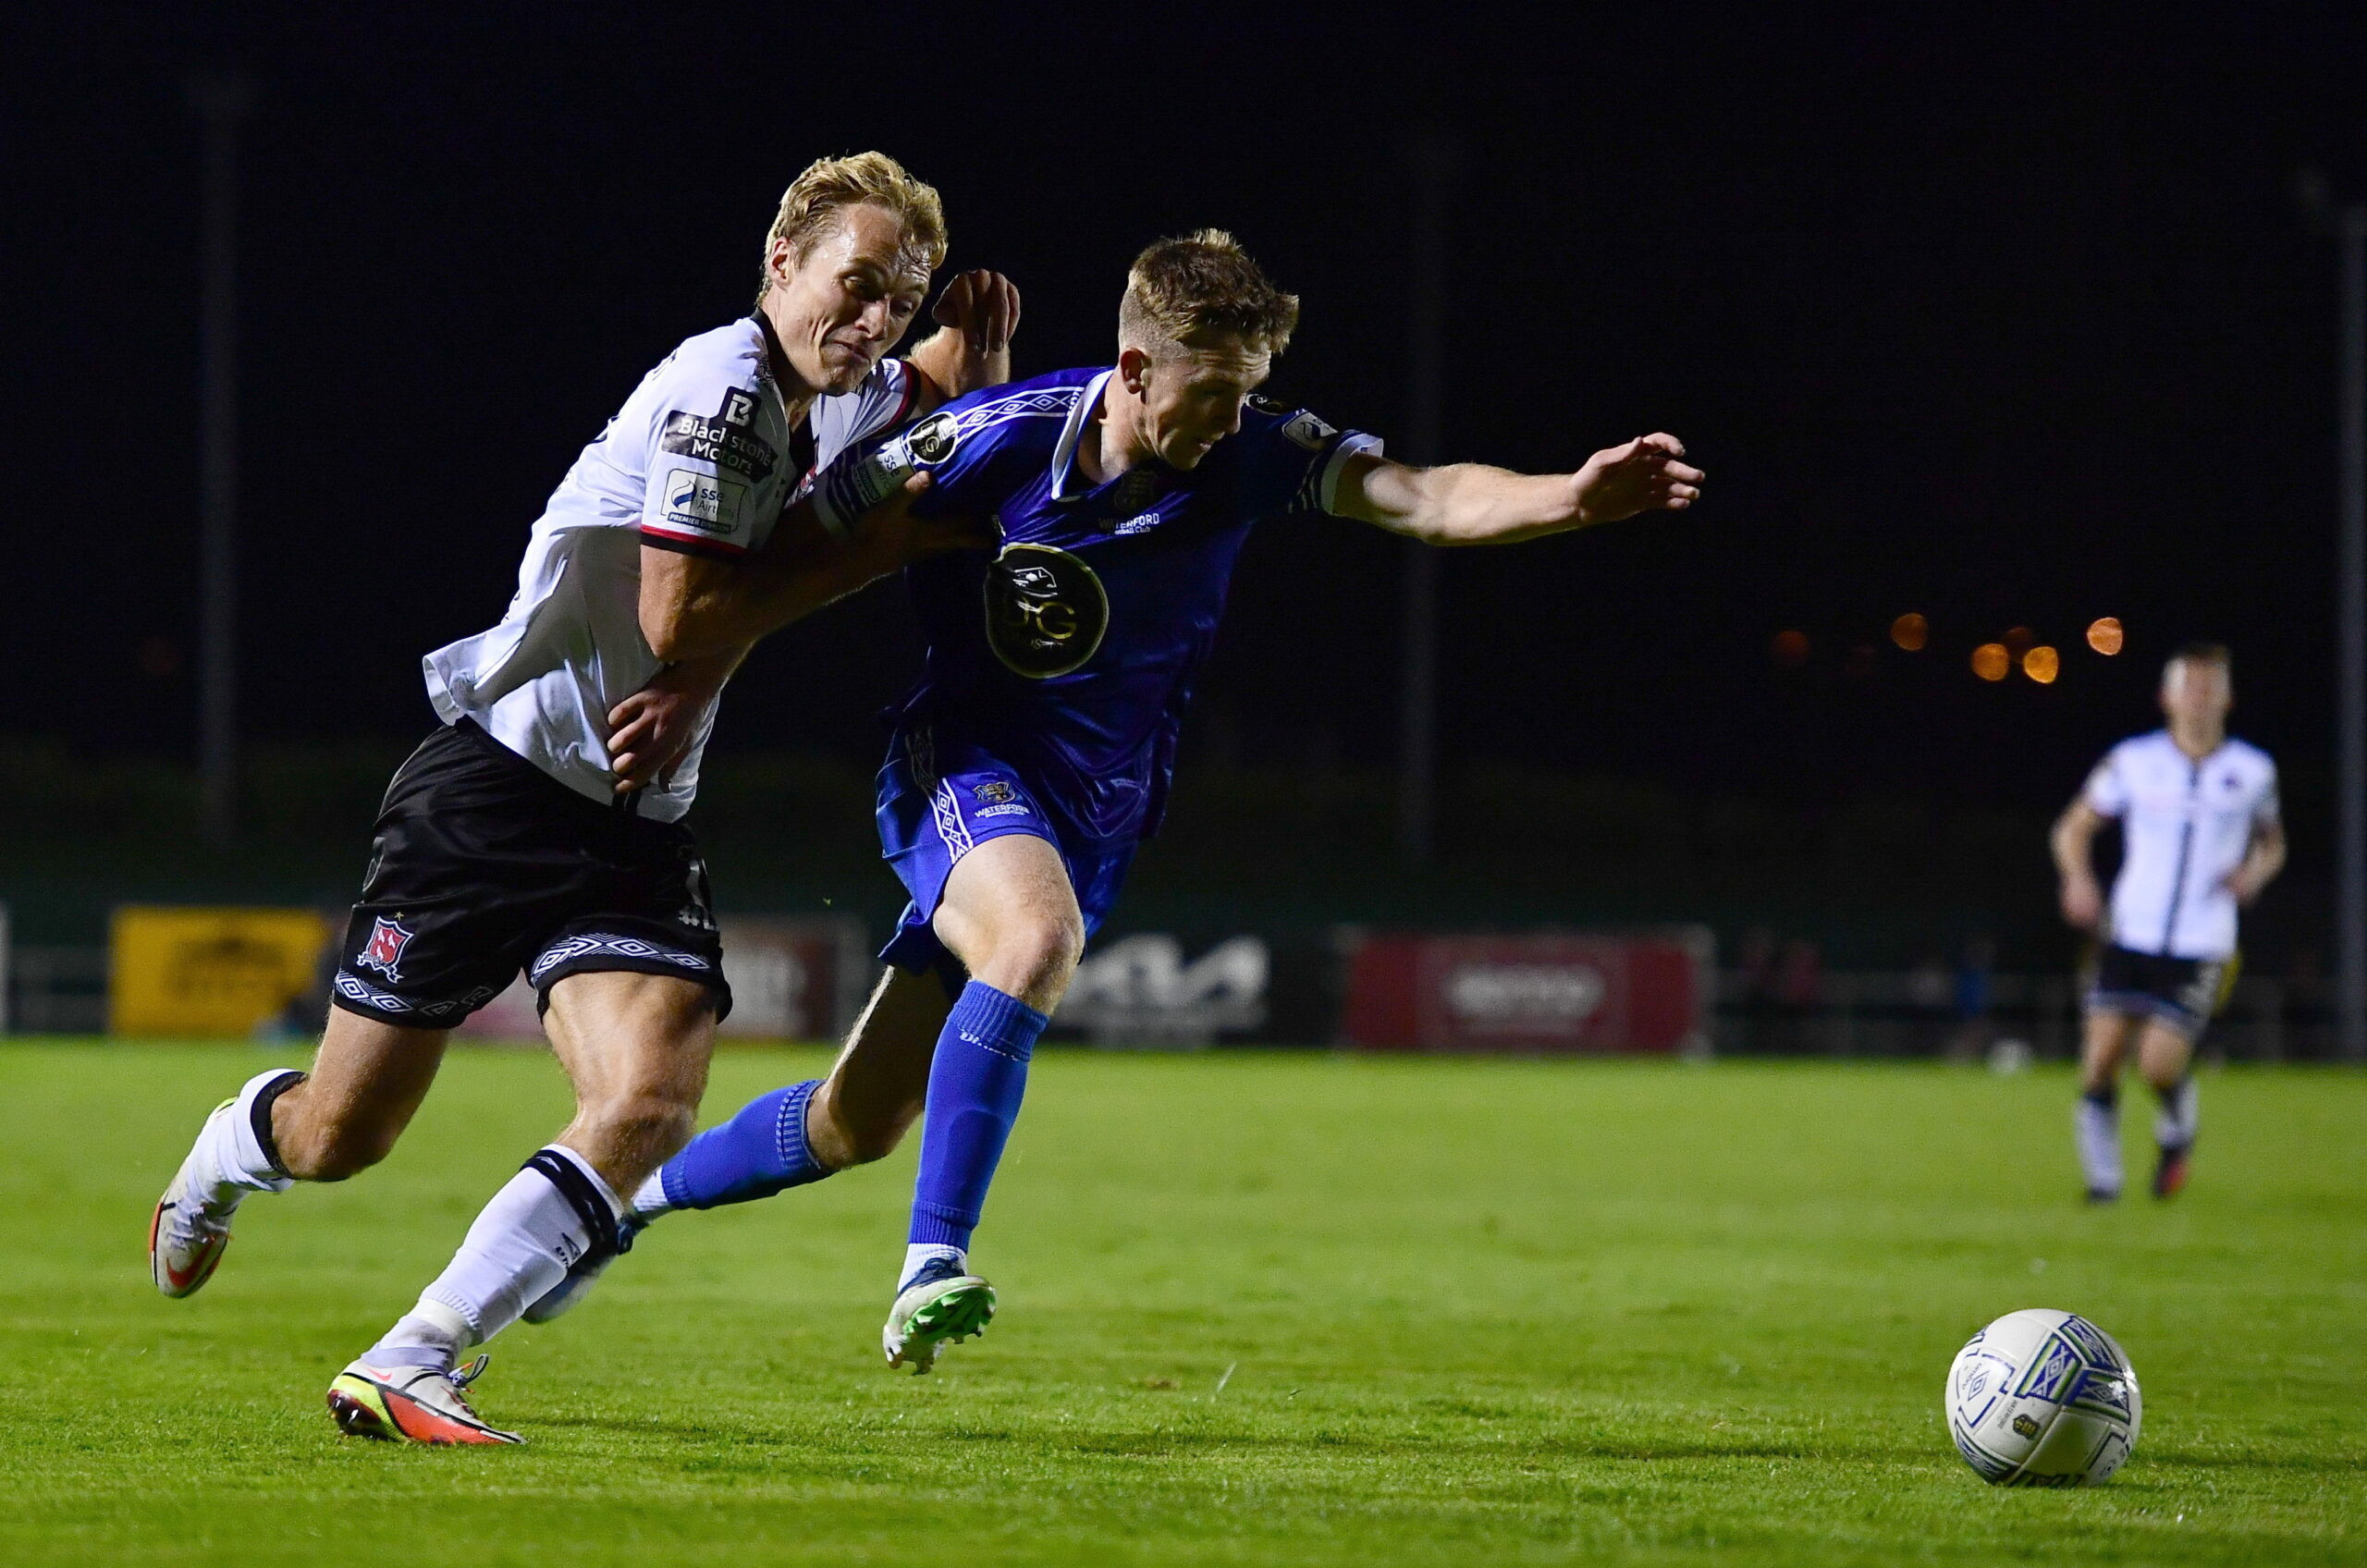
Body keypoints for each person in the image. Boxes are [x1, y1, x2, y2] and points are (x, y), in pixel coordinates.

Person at [555, 228, 1703, 1374]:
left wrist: (1572, 497)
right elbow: (776, 556)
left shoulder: (1254, 451)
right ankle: (930, 1265)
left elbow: (1428, 495)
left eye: (1247, 395)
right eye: (1211, 395)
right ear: (1137, 368)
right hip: (960, 760)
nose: (1226, 422)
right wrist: (692, 672)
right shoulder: (990, 441)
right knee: (1034, 934)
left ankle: (620, 1206)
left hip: (1096, 812)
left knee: (854, 1122)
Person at [145, 152, 1016, 1445]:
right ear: (779, 265)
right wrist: (861, 555)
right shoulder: (719, 393)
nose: (878, 320)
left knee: (652, 1098)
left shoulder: (843, 385)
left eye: (900, 295)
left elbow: (937, 418)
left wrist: (977, 352)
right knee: (340, 1137)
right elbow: (685, 607)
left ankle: (415, 1356)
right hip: (494, 794)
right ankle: (228, 1152)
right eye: (857, 285)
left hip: (634, 816)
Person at [2051, 643, 2284, 1203]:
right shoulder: (2133, 761)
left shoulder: (2251, 771)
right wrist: (2078, 879)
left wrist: (2252, 875)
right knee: (2101, 1058)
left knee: (2157, 1063)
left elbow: (2272, 844)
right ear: (2167, 697)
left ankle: (2177, 1129)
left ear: (2229, 700)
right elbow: (2073, 828)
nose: (2201, 699)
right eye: (2191, 687)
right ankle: (2104, 1185)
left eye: (2212, 688)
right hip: (2130, 933)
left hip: (2204, 942)